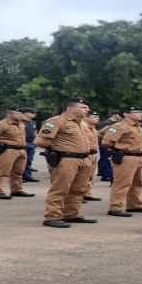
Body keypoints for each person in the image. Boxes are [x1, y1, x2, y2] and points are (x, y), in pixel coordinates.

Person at [35, 97, 97, 228]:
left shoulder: (82, 123)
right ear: (70, 108)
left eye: (87, 108)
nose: (88, 110)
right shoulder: (55, 121)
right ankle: (52, 216)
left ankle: (72, 214)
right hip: (66, 159)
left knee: (79, 189)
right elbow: (40, 141)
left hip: (84, 159)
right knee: (60, 189)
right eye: (83, 107)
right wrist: (56, 151)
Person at [102, 106, 142, 217]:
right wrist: (118, 149)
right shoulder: (119, 126)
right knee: (122, 183)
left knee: (137, 183)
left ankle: (135, 205)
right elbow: (107, 142)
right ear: (126, 114)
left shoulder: (138, 127)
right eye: (137, 112)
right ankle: (115, 207)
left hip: (138, 156)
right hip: (125, 157)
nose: (141, 114)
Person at [0, 107, 34, 199]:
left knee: (18, 172)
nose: (21, 115)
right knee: (1, 172)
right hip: (8, 150)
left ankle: (16, 190)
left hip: (21, 150)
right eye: (18, 113)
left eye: (21, 113)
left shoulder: (21, 124)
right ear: (9, 114)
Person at [83, 110, 102, 202]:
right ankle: (76, 195)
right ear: (86, 117)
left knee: (90, 176)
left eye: (98, 117)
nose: (97, 119)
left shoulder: (93, 128)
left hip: (93, 154)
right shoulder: (82, 127)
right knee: (81, 177)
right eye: (94, 117)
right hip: (85, 154)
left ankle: (87, 193)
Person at [97, 110, 122, 181]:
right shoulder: (112, 126)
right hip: (108, 146)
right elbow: (99, 133)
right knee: (106, 160)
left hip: (114, 146)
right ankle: (107, 175)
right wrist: (106, 141)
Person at [22, 107, 41, 183]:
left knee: (29, 161)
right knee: (20, 162)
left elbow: (35, 133)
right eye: (32, 113)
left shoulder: (33, 123)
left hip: (31, 143)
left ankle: (27, 176)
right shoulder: (20, 122)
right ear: (26, 113)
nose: (35, 114)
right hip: (23, 143)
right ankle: (18, 177)